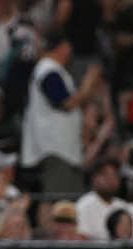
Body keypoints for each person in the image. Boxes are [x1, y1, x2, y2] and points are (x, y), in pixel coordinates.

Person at [20, 29, 102, 194]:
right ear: (63, 47)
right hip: (55, 147)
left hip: (63, 147)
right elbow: (65, 103)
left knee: (66, 196)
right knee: (54, 196)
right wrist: (86, 87)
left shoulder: (56, 70)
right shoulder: (47, 69)